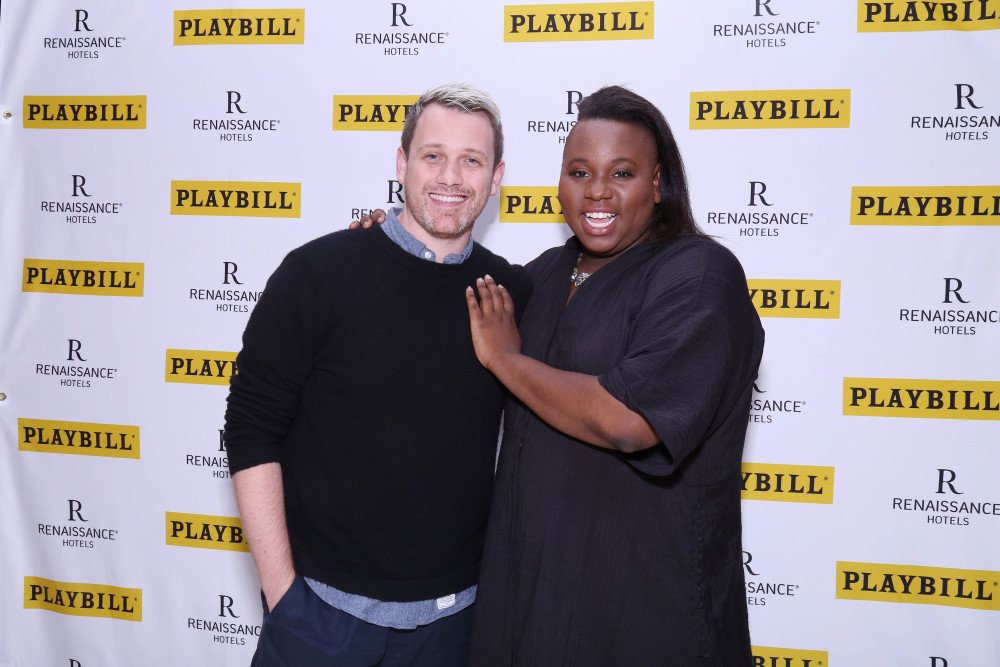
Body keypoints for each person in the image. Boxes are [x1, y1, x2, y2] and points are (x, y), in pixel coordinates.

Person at [224, 83, 530, 667]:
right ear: (401, 164)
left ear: (496, 179)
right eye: (432, 155)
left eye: (472, 160)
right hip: (320, 620)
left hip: (456, 627)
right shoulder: (318, 273)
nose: (450, 177)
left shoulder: (509, 293)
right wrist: (283, 595)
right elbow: (249, 427)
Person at [462, 86, 764, 665]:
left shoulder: (699, 275)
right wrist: (389, 246)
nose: (597, 190)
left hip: (644, 616)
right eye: (579, 171)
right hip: (529, 611)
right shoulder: (544, 274)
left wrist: (506, 359)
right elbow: (443, 309)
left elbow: (631, 420)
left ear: (657, 184)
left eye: (621, 172)